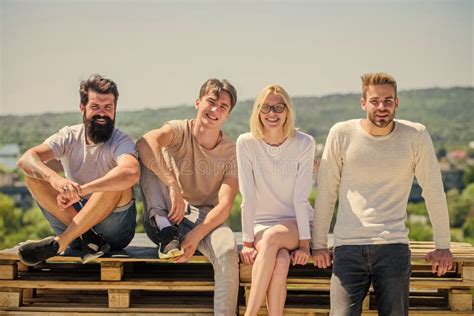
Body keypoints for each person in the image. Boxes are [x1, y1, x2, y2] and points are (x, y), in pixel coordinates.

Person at [312, 72, 453, 315]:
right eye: (375, 101)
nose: (381, 107)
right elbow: (326, 192)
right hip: (348, 247)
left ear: (396, 103)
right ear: (363, 103)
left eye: (388, 101)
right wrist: (319, 244)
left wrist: (443, 245)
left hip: (393, 245)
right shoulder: (342, 134)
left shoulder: (415, 136)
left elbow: (433, 191)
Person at [137, 78, 239, 316]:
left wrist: (196, 235)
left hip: (205, 218)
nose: (215, 110)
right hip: (165, 212)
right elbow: (144, 142)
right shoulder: (178, 130)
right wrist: (173, 184)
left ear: (228, 115)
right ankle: (166, 232)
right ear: (198, 103)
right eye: (211, 102)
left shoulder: (232, 152)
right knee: (146, 154)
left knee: (226, 249)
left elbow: (224, 206)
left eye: (222, 106)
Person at [17, 74, 139, 266]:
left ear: (115, 109)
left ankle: (61, 243)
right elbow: (26, 159)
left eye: (108, 107)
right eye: (95, 107)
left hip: (113, 231)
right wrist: (55, 180)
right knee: (33, 174)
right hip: (73, 220)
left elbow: (131, 172)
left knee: (118, 179)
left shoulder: (121, 141)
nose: (102, 113)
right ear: (82, 108)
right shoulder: (69, 136)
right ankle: (88, 238)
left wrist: (82, 190)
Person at [238, 85, 315, 316]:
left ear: (288, 111)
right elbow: (248, 196)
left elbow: (301, 198)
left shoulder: (304, 143)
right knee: (280, 261)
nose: (272, 113)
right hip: (262, 224)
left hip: (295, 223)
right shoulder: (246, 143)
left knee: (273, 239)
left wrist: (304, 243)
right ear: (258, 111)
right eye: (266, 107)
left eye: (278, 107)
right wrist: (247, 241)